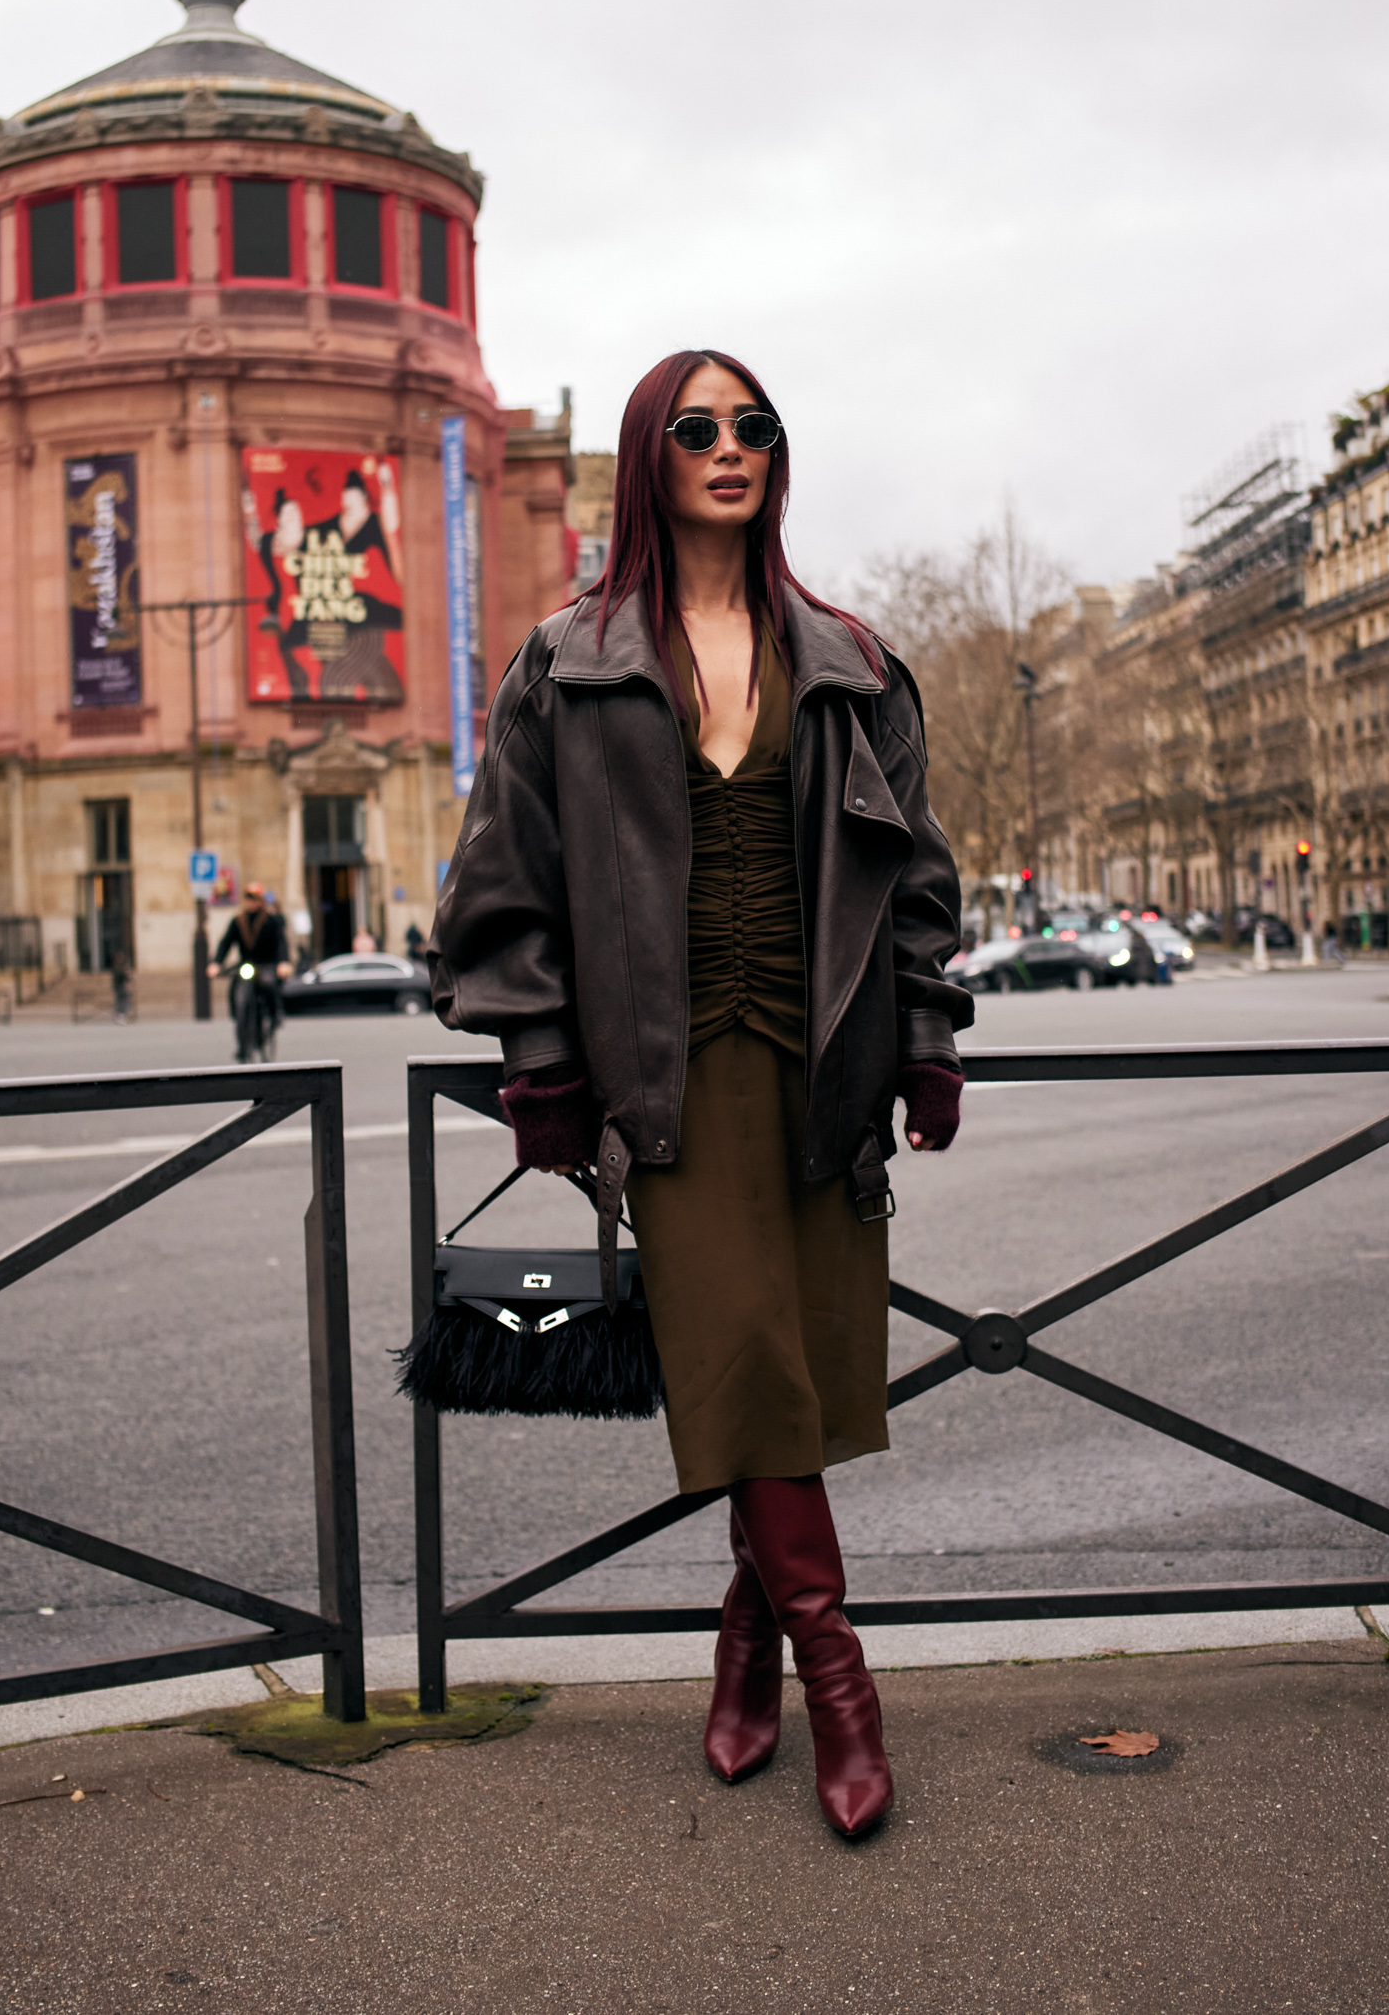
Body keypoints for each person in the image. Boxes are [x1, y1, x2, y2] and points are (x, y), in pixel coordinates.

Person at [429, 351, 966, 1840]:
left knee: (787, 1381)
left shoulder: (852, 658)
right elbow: (502, 887)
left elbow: (915, 882)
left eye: (753, 427)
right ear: (644, 458)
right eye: (696, 428)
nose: (729, 448)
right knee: (744, 1366)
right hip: (667, 1081)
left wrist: (924, 1041)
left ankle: (744, 1649)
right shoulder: (567, 659)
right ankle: (840, 1683)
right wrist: (538, 1065)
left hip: (828, 1067)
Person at [207, 884, 293, 1062]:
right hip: (247, 966)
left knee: (269, 984)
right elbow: (226, 942)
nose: (250, 902)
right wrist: (216, 963)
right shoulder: (238, 921)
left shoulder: (271, 920)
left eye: (254, 899)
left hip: (266, 965)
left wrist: (283, 962)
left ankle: (275, 1014)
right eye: (248, 898)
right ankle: (241, 1041)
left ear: (260, 901)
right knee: (238, 995)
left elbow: (281, 942)